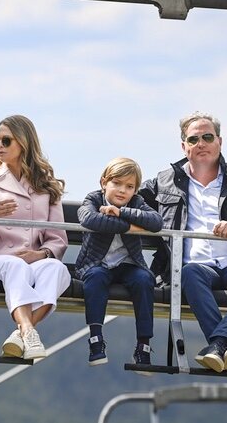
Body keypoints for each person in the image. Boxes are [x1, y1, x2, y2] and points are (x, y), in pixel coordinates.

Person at [139, 111, 227, 374]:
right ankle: (224, 348)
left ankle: (218, 346)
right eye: (193, 139)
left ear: (219, 141)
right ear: (184, 146)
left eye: (207, 137)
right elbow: (126, 199)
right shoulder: (164, 182)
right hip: (197, 266)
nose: (201, 144)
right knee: (189, 273)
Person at [0, 114, 70, 360]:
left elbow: (57, 237)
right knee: (14, 265)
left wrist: (41, 254)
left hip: (32, 258)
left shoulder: (47, 186)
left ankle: (22, 332)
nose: (0, 146)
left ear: (23, 143)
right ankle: (28, 330)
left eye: (6, 141)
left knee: (57, 270)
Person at [75, 157, 162, 373]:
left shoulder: (136, 203)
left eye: (129, 186)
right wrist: (132, 226)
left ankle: (143, 345)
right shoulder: (93, 199)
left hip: (128, 264)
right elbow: (90, 220)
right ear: (104, 182)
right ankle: (96, 339)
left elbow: (156, 222)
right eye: (117, 183)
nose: (122, 191)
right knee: (95, 279)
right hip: (97, 263)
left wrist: (121, 212)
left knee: (143, 281)